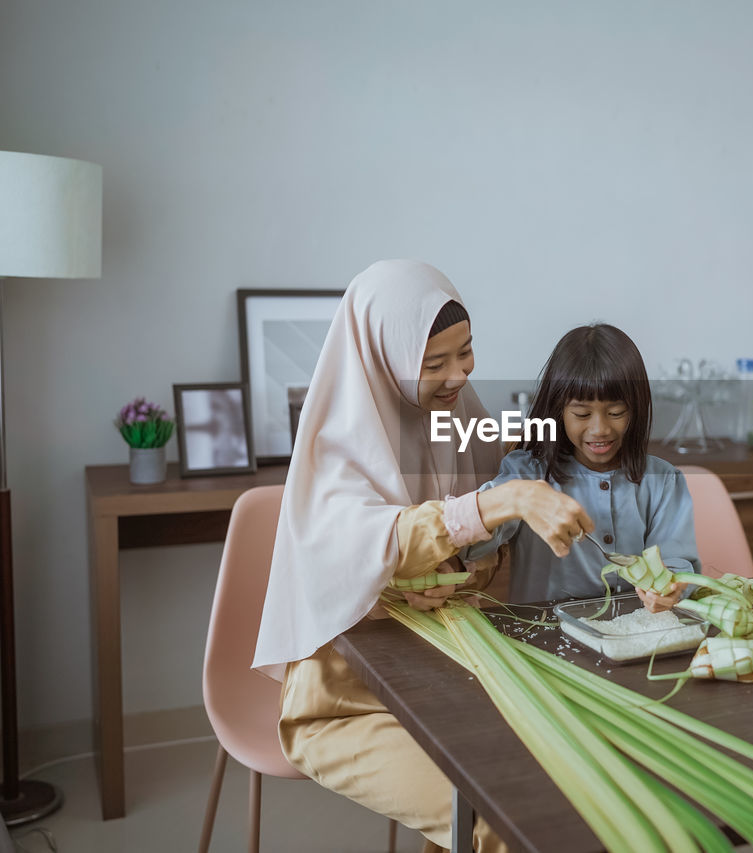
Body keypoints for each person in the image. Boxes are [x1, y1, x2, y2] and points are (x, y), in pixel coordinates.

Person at [252, 259, 596, 853]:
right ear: (383, 361)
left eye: (466, 352)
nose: (459, 374)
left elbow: (483, 546)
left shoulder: (461, 417)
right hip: (347, 700)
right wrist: (499, 505)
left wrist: (456, 572)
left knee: (564, 785)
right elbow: (375, 542)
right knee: (501, 816)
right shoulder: (337, 443)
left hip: (448, 672)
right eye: (433, 364)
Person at [463, 323, 700, 610]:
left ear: (636, 410)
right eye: (582, 413)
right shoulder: (526, 473)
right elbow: (474, 545)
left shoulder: (663, 481)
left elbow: (678, 562)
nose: (599, 429)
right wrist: (512, 501)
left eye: (615, 412)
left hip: (633, 636)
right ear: (558, 410)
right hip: (543, 635)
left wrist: (671, 586)